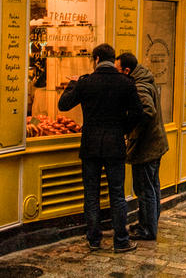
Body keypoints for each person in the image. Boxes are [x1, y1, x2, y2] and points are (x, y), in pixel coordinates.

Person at [58, 43, 143, 253]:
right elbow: (138, 113)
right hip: (115, 145)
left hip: (90, 145)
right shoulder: (126, 83)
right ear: (113, 59)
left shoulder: (86, 83)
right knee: (117, 194)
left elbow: (63, 105)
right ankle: (121, 240)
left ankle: (94, 239)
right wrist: (121, 129)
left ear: (96, 59)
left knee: (92, 193)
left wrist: (73, 84)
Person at [116, 52, 169, 241]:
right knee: (152, 186)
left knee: (144, 188)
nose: (117, 74)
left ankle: (147, 228)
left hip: (147, 146)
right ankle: (149, 223)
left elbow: (147, 110)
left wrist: (131, 132)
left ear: (127, 70)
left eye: (118, 70)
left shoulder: (139, 86)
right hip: (155, 143)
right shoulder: (144, 78)